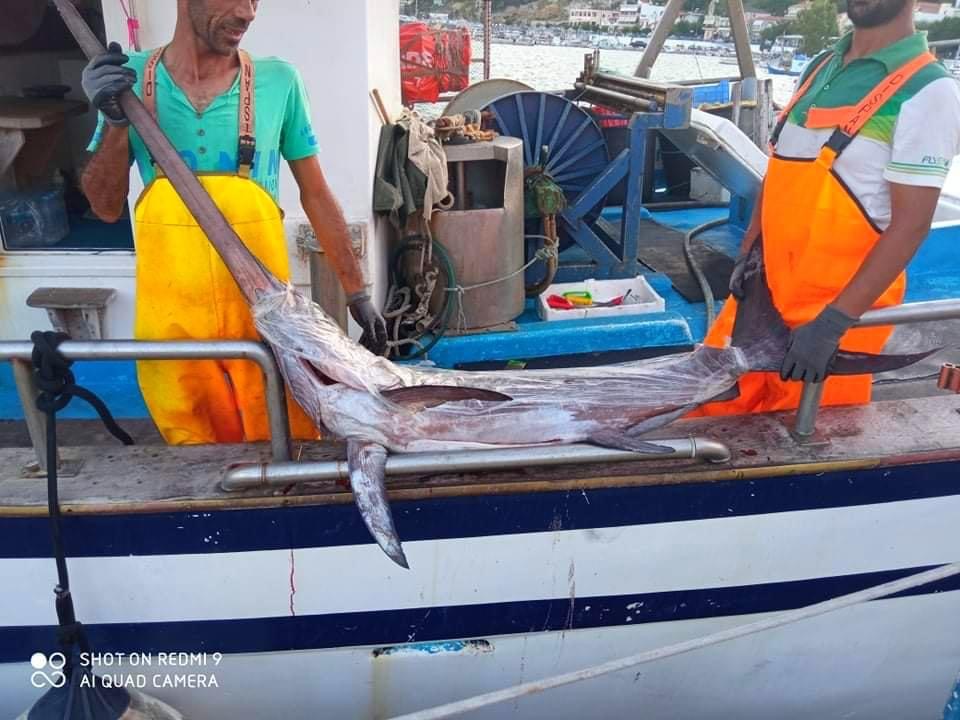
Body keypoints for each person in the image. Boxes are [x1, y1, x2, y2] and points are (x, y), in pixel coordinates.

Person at [80, 0, 387, 445]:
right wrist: (114, 120)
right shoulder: (127, 81)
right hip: (172, 334)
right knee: (192, 450)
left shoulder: (279, 81)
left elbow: (316, 194)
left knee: (288, 443)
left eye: (255, 0)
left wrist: (357, 292)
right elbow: (105, 206)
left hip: (264, 326)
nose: (248, 13)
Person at [699, 0, 960, 415]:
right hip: (761, 297)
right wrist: (749, 247)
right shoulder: (820, 66)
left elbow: (910, 226)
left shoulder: (929, 90)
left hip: (831, 318)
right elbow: (782, 161)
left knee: (802, 441)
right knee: (706, 411)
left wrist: (834, 324)